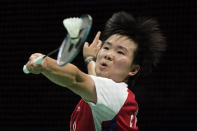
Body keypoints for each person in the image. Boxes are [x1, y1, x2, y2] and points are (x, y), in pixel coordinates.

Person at [25, 11, 166, 131]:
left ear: (133, 69)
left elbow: (75, 78)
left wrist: (45, 64)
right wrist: (90, 59)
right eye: (106, 47)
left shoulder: (116, 93)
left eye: (120, 52)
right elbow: (96, 80)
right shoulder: (106, 96)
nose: (108, 55)